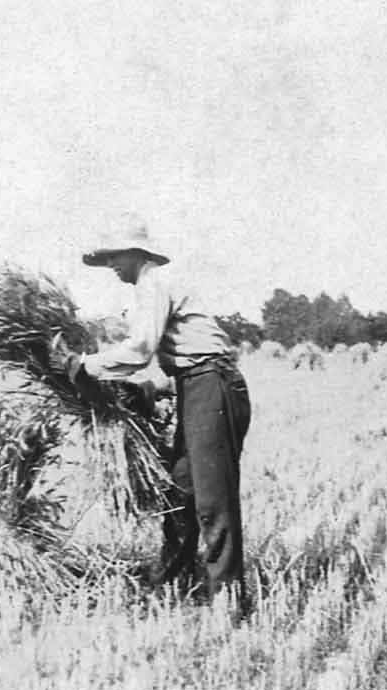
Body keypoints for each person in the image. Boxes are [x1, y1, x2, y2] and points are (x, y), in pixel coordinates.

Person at [65, 217, 252, 615]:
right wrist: (159, 388)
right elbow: (187, 357)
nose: (111, 264)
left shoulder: (153, 285)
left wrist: (82, 365)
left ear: (137, 254)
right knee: (179, 495)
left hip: (212, 389)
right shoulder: (148, 289)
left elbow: (140, 351)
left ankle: (231, 600)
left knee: (212, 500)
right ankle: (170, 582)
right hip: (196, 387)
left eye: (114, 255)